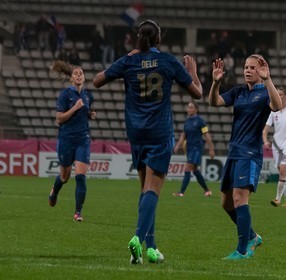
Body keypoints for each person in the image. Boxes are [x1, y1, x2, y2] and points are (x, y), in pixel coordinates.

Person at [92, 19, 203, 265]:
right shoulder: (168, 61)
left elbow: (97, 81)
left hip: (136, 133)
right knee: (154, 188)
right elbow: (198, 93)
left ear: (138, 38)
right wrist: (193, 72)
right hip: (159, 132)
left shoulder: (128, 61)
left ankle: (151, 249)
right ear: (158, 39)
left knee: (144, 189)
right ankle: (138, 238)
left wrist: (126, 58)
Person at [209, 54, 282, 260]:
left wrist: (268, 80)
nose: (248, 70)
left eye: (252, 67)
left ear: (261, 70)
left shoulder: (265, 92)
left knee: (240, 200)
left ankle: (242, 250)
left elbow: (277, 107)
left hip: (250, 153)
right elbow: (214, 102)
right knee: (226, 203)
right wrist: (215, 83)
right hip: (234, 152)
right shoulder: (239, 92)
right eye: (246, 67)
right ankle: (253, 237)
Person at [48, 60, 96, 222]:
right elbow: (59, 119)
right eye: (76, 73)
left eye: (81, 73)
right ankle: (54, 191)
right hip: (66, 139)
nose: (79, 75)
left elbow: (87, 111)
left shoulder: (88, 95)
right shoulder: (65, 95)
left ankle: (78, 213)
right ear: (71, 79)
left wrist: (91, 114)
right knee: (64, 177)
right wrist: (74, 108)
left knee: (80, 176)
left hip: (83, 138)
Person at [172, 101, 215, 197]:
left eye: (191, 107)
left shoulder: (200, 121)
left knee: (188, 167)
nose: (189, 109)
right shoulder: (187, 121)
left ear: (196, 109)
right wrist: (178, 145)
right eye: (188, 107)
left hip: (197, 148)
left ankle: (181, 192)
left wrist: (211, 148)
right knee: (195, 170)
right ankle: (207, 191)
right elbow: (184, 135)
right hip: (189, 148)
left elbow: (206, 134)